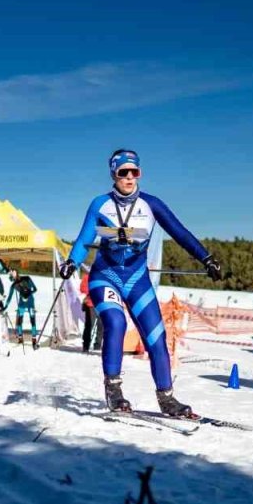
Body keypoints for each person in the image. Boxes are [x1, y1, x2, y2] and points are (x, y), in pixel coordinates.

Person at [57, 149, 224, 417]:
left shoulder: (151, 204)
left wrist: (206, 258)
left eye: (135, 171)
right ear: (114, 173)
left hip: (137, 280)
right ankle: (114, 390)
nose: (130, 177)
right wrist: (71, 262)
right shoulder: (100, 204)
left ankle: (167, 398)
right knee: (116, 322)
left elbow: (179, 232)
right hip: (106, 276)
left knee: (156, 338)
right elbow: (83, 239)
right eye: (124, 172)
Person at [5, 269, 39, 348]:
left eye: (13, 271)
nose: (13, 274)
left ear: (17, 272)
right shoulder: (13, 285)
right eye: (11, 273)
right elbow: (9, 297)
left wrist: (28, 293)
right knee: (19, 321)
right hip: (21, 303)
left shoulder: (26, 278)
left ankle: (34, 339)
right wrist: (5, 306)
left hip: (30, 302)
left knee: (32, 320)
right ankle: (20, 338)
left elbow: (35, 289)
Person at [79, 270, 100, 352]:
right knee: (89, 325)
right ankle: (86, 345)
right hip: (91, 304)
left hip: (103, 304)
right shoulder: (88, 276)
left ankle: (98, 346)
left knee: (101, 326)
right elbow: (82, 288)